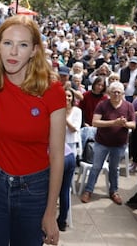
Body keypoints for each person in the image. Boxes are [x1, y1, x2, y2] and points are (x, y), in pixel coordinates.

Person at [0, 15, 66, 246]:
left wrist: (50, 212)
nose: (14, 52)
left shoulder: (51, 89)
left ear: (35, 50)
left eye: (23, 45)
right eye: (8, 43)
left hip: (34, 190)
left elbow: (57, 155)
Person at [80, 82, 135, 205]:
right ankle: (88, 190)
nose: (116, 94)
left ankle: (114, 191)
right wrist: (113, 123)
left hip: (119, 144)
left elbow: (133, 124)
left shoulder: (129, 106)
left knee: (114, 169)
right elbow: (95, 122)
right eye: (113, 92)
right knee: (96, 167)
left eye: (118, 92)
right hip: (102, 143)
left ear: (123, 94)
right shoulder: (102, 105)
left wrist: (124, 123)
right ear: (109, 93)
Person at [57, 88, 82, 231]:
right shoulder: (56, 110)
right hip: (57, 150)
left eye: (69, 96)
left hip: (68, 152)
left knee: (64, 189)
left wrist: (64, 117)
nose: (66, 98)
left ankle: (62, 220)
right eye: (64, 96)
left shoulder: (77, 111)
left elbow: (74, 129)